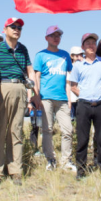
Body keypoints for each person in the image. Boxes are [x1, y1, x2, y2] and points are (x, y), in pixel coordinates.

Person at [0, 17, 36, 186]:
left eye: (19, 27)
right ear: (5, 29)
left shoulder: (23, 49)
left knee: (16, 130)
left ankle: (15, 170)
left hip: (20, 89)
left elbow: (30, 70)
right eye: (13, 27)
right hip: (2, 88)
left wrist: (31, 93)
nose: (17, 29)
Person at [69, 33, 101, 180]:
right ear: (83, 47)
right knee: (82, 139)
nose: (91, 45)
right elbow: (73, 86)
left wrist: (100, 93)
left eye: (93, 43)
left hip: (100, 105)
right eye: (87, 43)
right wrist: (86, 94)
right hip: (84, 105)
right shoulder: (78, 65)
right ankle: (81, 170)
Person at [34, 25, 74, 171]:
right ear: (47, 38)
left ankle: (66, 161)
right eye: (53, 35)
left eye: (58, 36)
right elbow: (36, 76)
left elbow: (70, 76)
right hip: (46, 98)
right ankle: (50, 159)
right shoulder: (40, 55)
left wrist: (69, 98)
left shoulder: (65, 55)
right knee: (47, 129)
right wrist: (36, 95)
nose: (56, 38)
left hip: (62, 98)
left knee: (68, 130)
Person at [68, 46, 84, 119]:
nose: (79, 57)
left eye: (81, 55)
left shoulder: (85, 66)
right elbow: (68, 84)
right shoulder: (69, 67)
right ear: (72, 56)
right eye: (77, 55)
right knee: (71, 119)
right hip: (71, 98)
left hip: (81, 98)